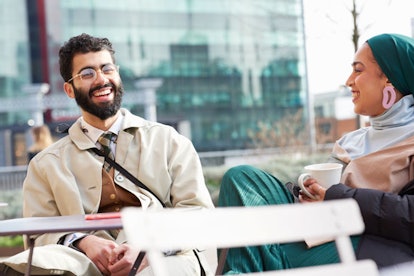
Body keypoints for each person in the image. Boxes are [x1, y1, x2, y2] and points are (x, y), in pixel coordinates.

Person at [1, 33, 215, 276]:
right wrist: (81, 242)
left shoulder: (169, 141)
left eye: (107, 69)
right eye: (88, 73)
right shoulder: (44, 165)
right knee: (20, 266)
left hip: (166, 256)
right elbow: (37, 234)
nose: (101, 80)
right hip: (84, 262)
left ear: (118, 74)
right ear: (69, 90)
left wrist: (149, 247)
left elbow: (199, 214)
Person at [217, 33, 414, 274]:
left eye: (358, 70)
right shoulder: (352, 140)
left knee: (256, 247)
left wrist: (336, 196)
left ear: (389, 79)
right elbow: (325, 191)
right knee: (241, 178)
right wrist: (307, 190)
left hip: (364, 241)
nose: (349, 81)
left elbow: (409, 214)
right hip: (316, 228)